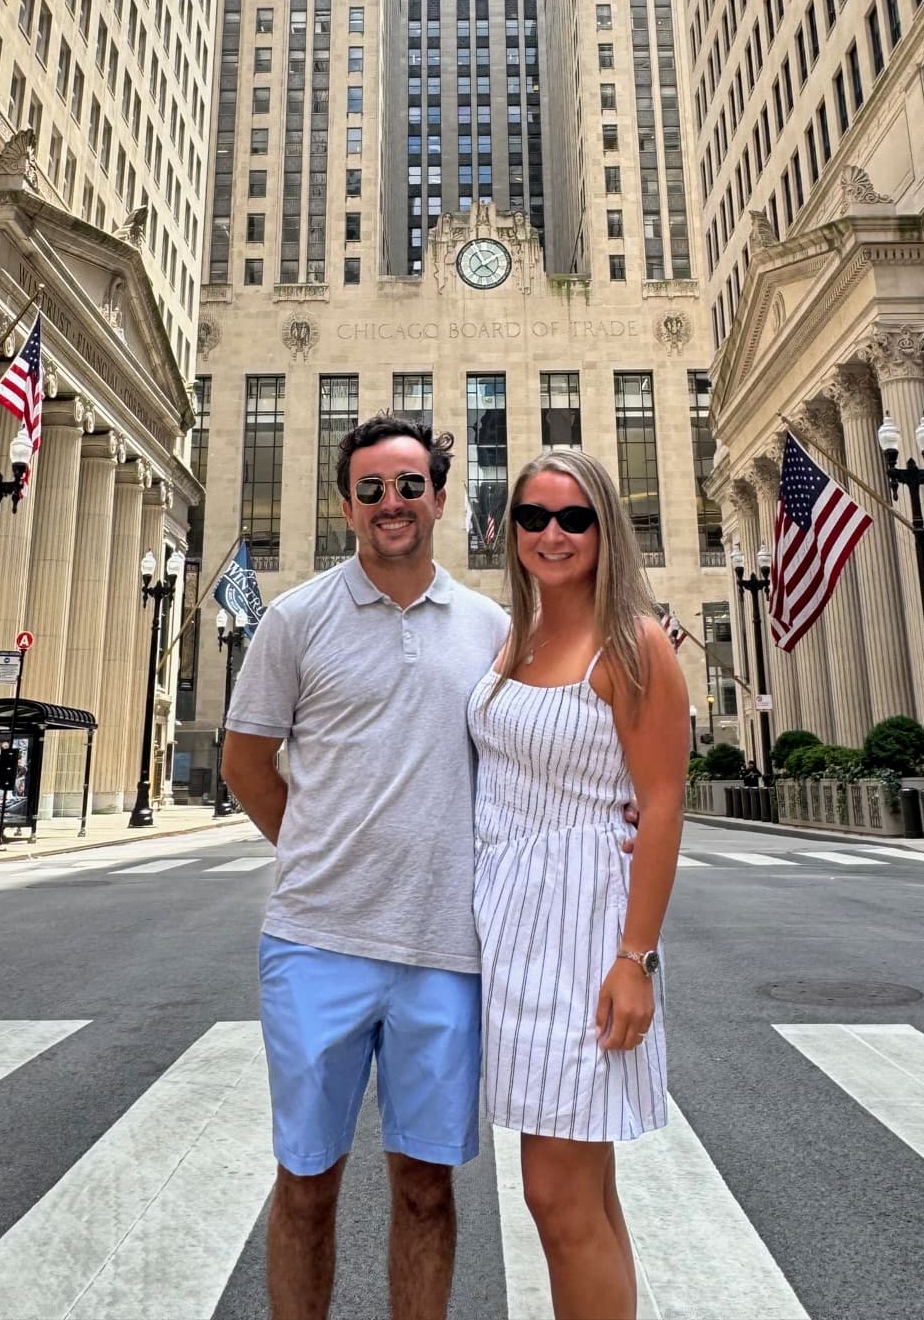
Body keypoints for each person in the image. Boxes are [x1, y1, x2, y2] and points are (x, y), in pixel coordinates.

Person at [221, 413, 509, 1320]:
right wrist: (315, 847)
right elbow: (244, 761)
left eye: (409, 485)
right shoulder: (296, 620)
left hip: (444, 950)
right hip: (317, 943)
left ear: (439, 495)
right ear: (348, 505)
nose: (393, 503)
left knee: (427, 1185)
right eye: (373, 489)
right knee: (306, 1181)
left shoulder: (493, 627)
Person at [468, 450, 686, 1320]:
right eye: (533, 517)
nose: (551, 534)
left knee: (557, 1198)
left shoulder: (633, 643)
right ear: (510, 529)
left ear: (604, 530)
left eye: (573, 518)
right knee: (584, 1196)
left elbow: (663, 803)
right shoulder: (510, 639)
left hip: (584, 934)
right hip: (510, 930)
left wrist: (636, 957)